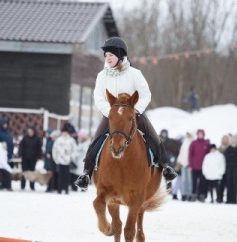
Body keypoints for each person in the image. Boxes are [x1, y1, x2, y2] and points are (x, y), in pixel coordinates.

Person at [75, 36, 177, 190]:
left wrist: (135, 111)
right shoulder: (101, 76)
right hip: (112, 116)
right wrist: (110, 112)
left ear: (120, 55)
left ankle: (165, 167)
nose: (108, 58)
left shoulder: (134, 73)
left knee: (153, 136)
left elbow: (146, 94)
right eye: (106, 55)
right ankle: (86, 174)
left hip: (133, 114)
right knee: (95, 141)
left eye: (111, 55)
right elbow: (98, 96)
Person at [52, 124, 77, 195]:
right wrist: (56, 158)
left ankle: (66, 189)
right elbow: (54, 149)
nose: (65, 133)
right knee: (60, 175)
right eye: (63, 132)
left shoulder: (71, 140)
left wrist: (71, 157)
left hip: (68, 160)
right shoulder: (58, 140)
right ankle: (59, 189)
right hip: (60, 160)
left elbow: (75, 150)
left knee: (67, 176)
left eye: (66, 132)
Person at [188, 129, 210, 202]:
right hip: (194, 166)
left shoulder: (206, 144)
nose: (200, 135)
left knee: (202, 182)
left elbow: (208, 155)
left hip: (203, 167)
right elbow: (190, 155)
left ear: (203, 135)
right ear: (197, 134)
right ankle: (194, 195)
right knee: (194, 181)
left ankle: (201, 196)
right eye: (199, 134)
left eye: (201, 134)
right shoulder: (194, 143)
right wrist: (190, 165)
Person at [18, 126, 42, 191]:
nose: (30, 133)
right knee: (24, 172)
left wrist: (39, 156)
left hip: (33, 158)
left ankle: (32, 186)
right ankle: (23, 185)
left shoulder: (37, 139)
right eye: (29, 132)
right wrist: (20, 153)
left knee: (32, 172)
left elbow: (39, 148)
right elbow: (21, 146)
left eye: (31, 132)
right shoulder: (25, 138)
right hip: (25, 158)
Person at [224, 134, 237, 204]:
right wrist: (233, 155)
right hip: (228, 169)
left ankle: (234, 199)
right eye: (233, 139)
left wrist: (232, 157)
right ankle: (228, 199)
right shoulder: (229, 148)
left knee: (234, 184)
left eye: (235, 139)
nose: (234, 140)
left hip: (236, 169)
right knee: (229, 184)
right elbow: (227, 157)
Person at [177, 131, 194, 201]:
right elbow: (181, 152)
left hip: (190, 164)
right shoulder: (184, 142)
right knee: (184, 180)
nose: (188, 135)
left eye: (189, 134)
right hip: (183, 163)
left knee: (189, 180)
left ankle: (190, 194)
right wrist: (179, 161)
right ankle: (183, 194)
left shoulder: (193, 142)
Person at [217, 134, 232, 203]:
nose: (225, 140)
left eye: (226, 139)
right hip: (220, 169)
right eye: (224, 139)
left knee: (229, 184)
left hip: (229, 169)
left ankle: (229, 199)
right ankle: (219, 198)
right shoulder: (219, 148)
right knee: (220, 184)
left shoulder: (230, 148)